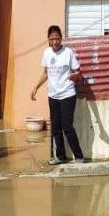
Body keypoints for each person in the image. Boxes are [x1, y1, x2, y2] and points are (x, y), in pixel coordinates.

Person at [30, 25, 85, 165]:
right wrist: (36, 87)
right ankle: (60, 157)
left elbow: (78, 71)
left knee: (67, 126)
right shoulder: (47, 53)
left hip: (67, 94)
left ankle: (79, 156)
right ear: (48, 40)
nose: (55, 41)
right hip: (53, 95)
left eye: (57, 38)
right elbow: (46, 73)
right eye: (52, 39)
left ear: (61, 38)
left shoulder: (68, 52)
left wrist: (75, 75)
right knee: (55, 127)